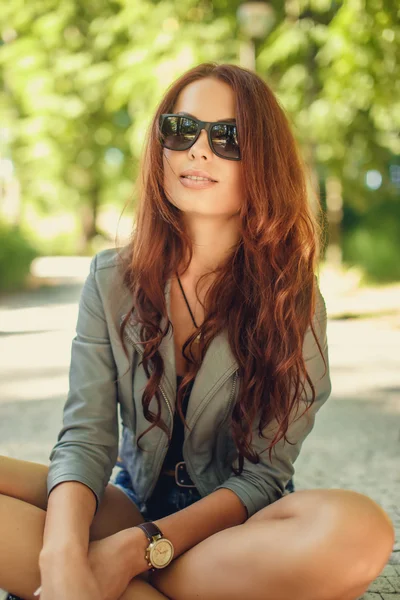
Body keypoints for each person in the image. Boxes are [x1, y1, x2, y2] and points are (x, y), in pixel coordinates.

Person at [0, 62, 394, 600]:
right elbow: (87, 439)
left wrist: (133, 552)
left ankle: (121, 582)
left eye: (227, 137)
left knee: (360, 531)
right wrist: (62, 551)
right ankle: (85, 577)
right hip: (128, 506)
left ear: (263, 162)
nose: (198, 150)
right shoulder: (110, 278)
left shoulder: (291, 297)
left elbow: (262, 477)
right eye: (180, 130)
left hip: (233, 531)